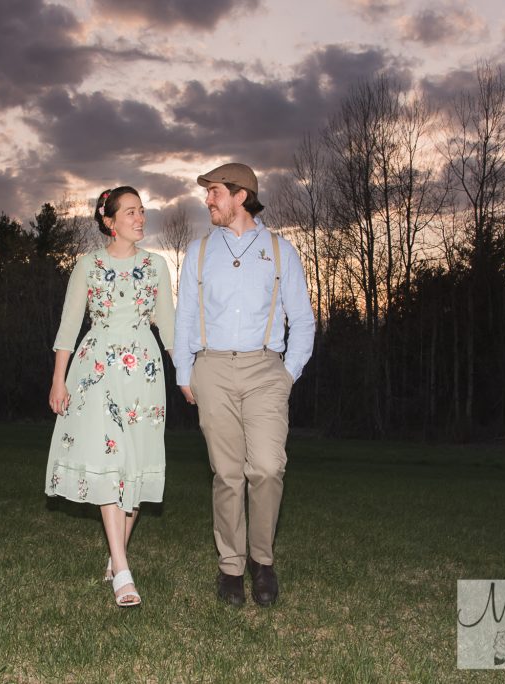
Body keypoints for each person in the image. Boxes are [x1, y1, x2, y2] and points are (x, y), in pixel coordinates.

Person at [173, 163, 314, 607]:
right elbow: (185, 320)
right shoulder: (199, 252)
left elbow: (304, 320)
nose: (208, 200)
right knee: (228, 474)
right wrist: (184, 372)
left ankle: (262, 561)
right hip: (211, 369)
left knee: (268, 468)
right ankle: (231, 568)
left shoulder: (279, 250)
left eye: (214, 192)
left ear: (240, 196)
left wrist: (287, 373)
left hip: (265, 370)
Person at [45, 186, 175, 608]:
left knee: (133, 468)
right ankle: (122, 569)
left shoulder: (156, 266)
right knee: (108, 460)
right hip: (96, 372)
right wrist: (58, 380)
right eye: (132, 212)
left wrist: (189, 375)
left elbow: (168, 328)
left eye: (143, 211)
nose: (140, 218)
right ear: (110, 221)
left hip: (143, 377)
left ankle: (115, 555)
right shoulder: (88, 265)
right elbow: (68, 326)